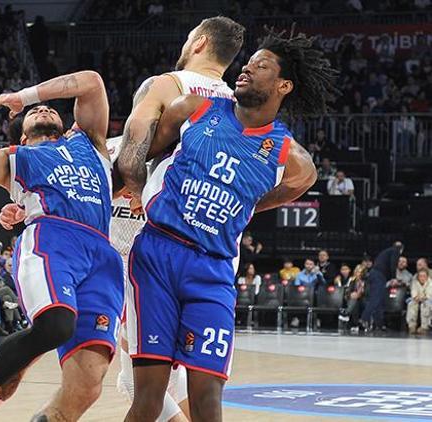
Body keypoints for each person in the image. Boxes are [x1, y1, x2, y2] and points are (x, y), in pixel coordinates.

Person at [0, 17, 245, 421]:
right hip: (210, 255)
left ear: (199, 43)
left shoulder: (162, 93)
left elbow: (123, 164)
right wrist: (25, 209)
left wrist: (137, 188)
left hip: (150, 257)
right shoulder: (237, 109)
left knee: (143, 382)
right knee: (182, 386)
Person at [117, 27, 337, 421]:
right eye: (248, 62)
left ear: (284, 85)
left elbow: (296, 186)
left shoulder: (293, 157)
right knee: (147, 397)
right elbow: (138, 156)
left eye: (261, 66)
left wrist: (246, 205)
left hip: (213, 270)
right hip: (157, 255)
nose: (247, 69)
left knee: (207, 402)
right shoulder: (192, 107)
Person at [0, 69, 123, 422]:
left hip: (103, 254)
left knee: (87, 384)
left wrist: (22, 97)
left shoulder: (90, 142)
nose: (42, 109)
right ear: (22, 136)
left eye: (48, 108)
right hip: (53, 240)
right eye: (33, 112)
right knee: (56, 325)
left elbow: (92, 82)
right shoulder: (18, 158)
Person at [361, 242, 404, 331]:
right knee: (376, 298)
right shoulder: (395, 251)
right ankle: (364, 318)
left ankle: (379, 324)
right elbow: (393, 264)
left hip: (376, 275)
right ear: (401, 249)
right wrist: (393, 278)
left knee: (380, 301)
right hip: (379, 276)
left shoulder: (386, 252)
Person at [407, 269, 431, 334]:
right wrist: (416, 297)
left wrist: (422, 298)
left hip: (427, 300)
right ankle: (412, 326)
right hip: (417, 299)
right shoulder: (415, 283)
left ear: (427, 277)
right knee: (411, 304)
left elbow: (428, 295)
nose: (422, 278)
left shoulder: (430, 283)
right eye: (420, 276)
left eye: (424, 276)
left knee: (425, 305)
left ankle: (424, 327)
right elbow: (414, 293)